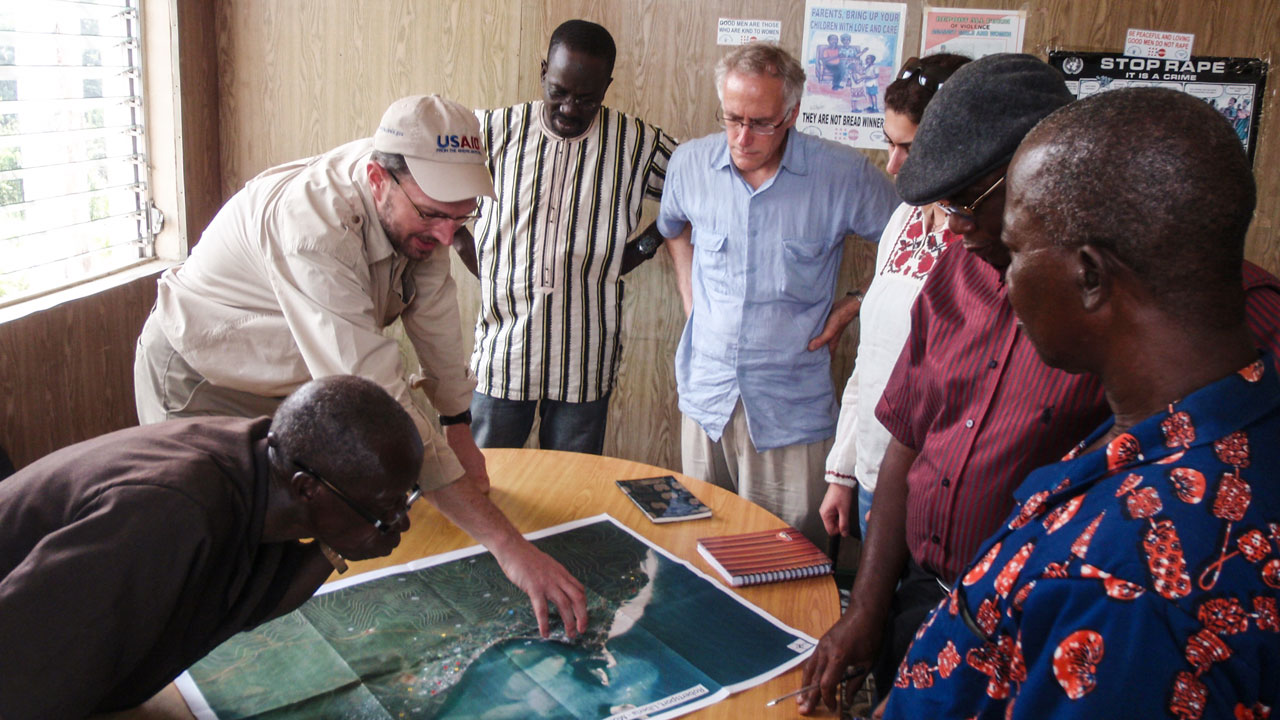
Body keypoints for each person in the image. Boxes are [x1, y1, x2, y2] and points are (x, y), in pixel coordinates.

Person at [799, 54, 1280, 715]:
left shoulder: (1132, 564)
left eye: (1019, 246)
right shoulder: (1133, 465)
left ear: (1087, 270)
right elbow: (913, 432)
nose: (961, 237)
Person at [133, 95, 587, 639]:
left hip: (291, 382)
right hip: (201, 379)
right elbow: (381, 394)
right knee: (212, 550)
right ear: (377, 179)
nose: (448, 235)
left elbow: (438, 321)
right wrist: (511, 549)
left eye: (461, 217)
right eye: (434, 216)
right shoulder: (312, 228)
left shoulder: (420, 202)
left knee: (290, 531)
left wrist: (457, 425)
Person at [0, 376, 423, 718]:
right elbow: (25, 671)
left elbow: (248, 596)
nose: (399, 520)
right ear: (308, 489)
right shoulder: (170, 513)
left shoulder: (263, 459)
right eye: (387, 506)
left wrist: (338, 546)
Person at [657, 42, 897, 547]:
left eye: (761, 122)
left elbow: (912, 238)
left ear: (791, 113)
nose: (743, 137)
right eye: (732, 119)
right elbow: (672, 227)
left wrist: (856, 302)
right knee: (701, 547)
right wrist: (690, 297)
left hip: (790, 408)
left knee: (788, 557)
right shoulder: (689, 164)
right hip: (707, 399)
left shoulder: (842, 175)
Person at [454, 20, 676, 455]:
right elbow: (437, 201)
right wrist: (485, 264)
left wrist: (643, 248)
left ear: (607, 87)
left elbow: (700, 194)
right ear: (543, 72)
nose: (570, 108)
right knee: (488, 477)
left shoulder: (636, 144)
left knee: (575, 489)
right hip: (504, 354)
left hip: (585, 357)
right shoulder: (491, 131)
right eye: (559, 91)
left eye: (587, 98)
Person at [820, 53, 970, 542]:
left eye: (909, 148)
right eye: (889, 143)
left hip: (939, 487)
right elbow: (873, 357)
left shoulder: (986, 239)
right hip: (873, 471)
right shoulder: (904, 217)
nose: (893, 165)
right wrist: (843, 471)